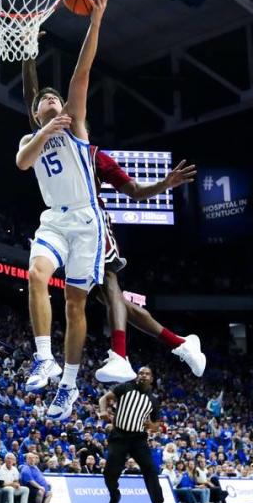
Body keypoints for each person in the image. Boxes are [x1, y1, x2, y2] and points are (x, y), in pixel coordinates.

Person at [21, 54, 205, 383]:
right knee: (115, 300)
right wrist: (28, 58)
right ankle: (181, 343)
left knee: (110, 286)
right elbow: (31, 101)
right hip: (63, 227)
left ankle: (120, 355)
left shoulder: (92, 154)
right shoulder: (45, 138)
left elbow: (133, 190)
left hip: (92, 224)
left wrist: (164, 184)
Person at [16, 0, 108, 421]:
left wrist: (94, 21)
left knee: (75, 305)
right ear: (36, 114)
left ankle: (69, 386)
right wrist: (43, 132)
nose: (50, 100)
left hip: (87, 225)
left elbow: (81, 72)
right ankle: (43, 358)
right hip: (53, 221)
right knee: (35, 274)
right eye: (42, 101)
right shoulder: (32, 138)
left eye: (54, 98)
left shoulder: (74, 127)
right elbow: (22, 162)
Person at [98, 366, 168, 503]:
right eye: (141, 373)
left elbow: (156, 425)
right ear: (137, 376)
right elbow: (104, 398)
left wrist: (152, 426)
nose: (143, 375)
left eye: (147, 373)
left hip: (138, 439)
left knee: (150, 469)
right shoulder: (125, 387)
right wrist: (103, 411)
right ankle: (114, 496)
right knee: (110, 472)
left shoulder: (153, 400)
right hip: (119, 436)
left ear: (151, 379)